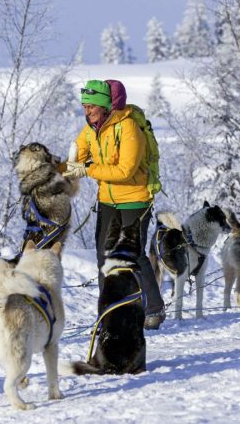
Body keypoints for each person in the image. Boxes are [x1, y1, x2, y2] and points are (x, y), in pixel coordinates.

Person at [63, 79, 165, 330]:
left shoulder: (129, 127)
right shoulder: (92, 128)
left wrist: (86, 169)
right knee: (103, 256)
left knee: (135, 254)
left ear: (105, 106)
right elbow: (78, 154)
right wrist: (66, 164)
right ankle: (108, 309)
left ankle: (154, 308)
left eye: (91, 107)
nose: (87, 112)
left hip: (135, 198)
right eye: (84, 106)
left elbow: (125, 171)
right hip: (108, 200)